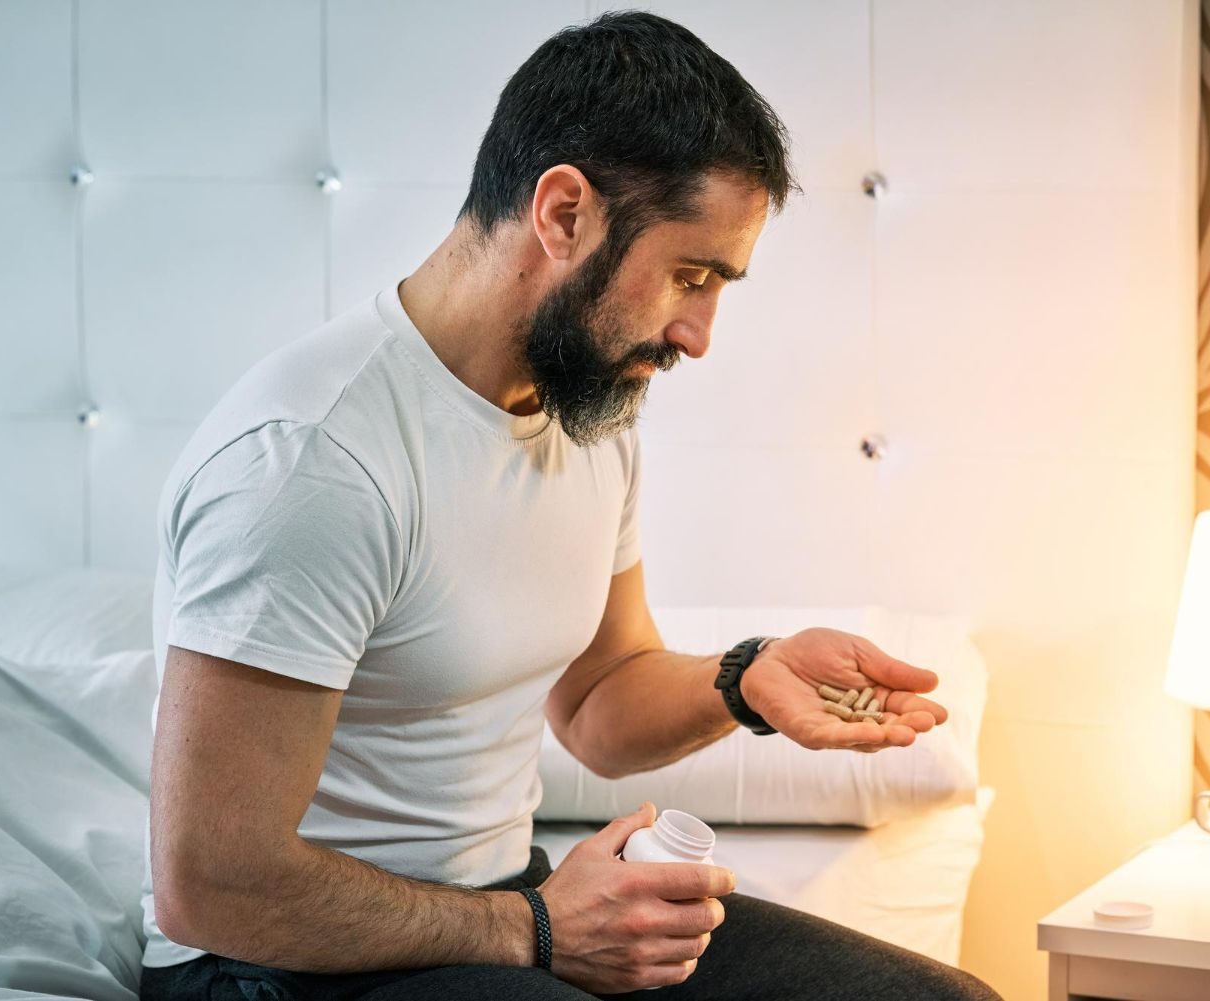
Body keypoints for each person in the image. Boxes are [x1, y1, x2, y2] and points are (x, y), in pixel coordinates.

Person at [139, 10, 1001, 1000]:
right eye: (689, 274)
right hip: (273, 964)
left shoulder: (589, 409)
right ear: (562, 214)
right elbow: (210, 882)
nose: (700, 331)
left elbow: (598, 703)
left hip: (496, 910)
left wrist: (747, 677)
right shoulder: (313, 462)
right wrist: (534, 929)